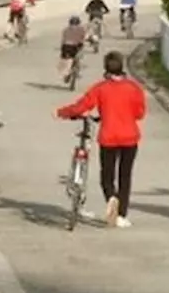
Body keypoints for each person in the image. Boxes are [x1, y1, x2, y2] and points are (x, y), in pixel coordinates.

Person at [55, 50, 147, 228]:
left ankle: (111, 196)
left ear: (106, 69)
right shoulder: (134, 88)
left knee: (107, 174)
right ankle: (121, 215)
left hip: (109, 137)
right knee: (125, 176)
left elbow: (80, 106)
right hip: (130, 137)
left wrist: (61, 112)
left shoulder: (101, 88)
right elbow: (140, 113)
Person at [58, 15, 87, 80]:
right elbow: (83, 38)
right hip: (76, 46)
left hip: (66, 46)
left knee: (66, 60)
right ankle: (77, 71)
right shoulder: (81, 29)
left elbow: (63, 39)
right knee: (78, 57)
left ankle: (66, 72)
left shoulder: (65, 29)